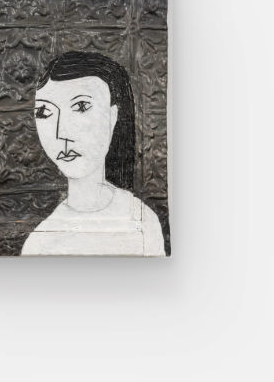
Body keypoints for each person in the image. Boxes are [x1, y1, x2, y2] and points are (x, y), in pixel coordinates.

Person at [21, 52, 166, 256]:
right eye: (44, 112)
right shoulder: (39, 243)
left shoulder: (141, 221)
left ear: (112, 116)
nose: (61, 133)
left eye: (81, 106)